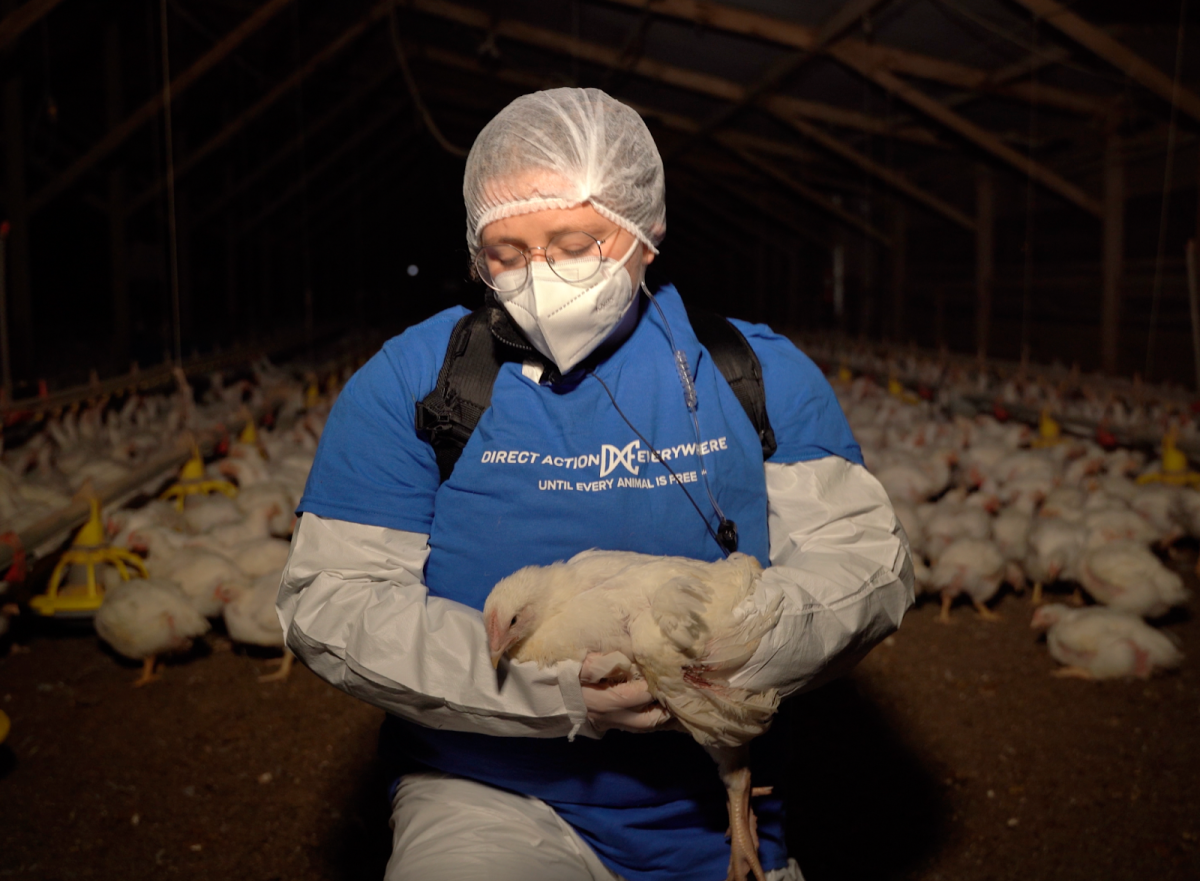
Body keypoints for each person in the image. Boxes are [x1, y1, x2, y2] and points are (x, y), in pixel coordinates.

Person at [277, 87, 914, 881]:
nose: (539, 275)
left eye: (573, 242)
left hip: (713, 810)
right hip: (487, 793)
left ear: (645, 235)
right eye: (506, 255)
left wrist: (763, 633)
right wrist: (549, 691)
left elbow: (866, 565)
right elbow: (333, 599)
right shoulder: (419, 383)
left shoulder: (755, 373)